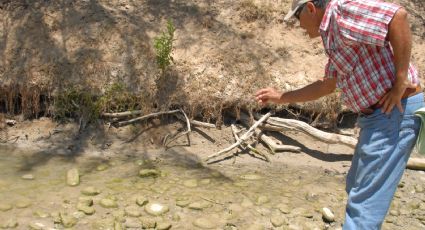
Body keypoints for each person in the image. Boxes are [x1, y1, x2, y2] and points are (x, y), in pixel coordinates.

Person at [255, 0, 424, 229]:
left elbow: (398, 16)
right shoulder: (332, 34)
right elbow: (327, 85)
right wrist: (281, 97)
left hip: (393, 112)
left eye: (298, 17)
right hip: (377, 118)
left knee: (363, 209)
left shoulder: (342, 11)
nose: (299, 26)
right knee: (355, 185)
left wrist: (400, 81)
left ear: (312, 8)